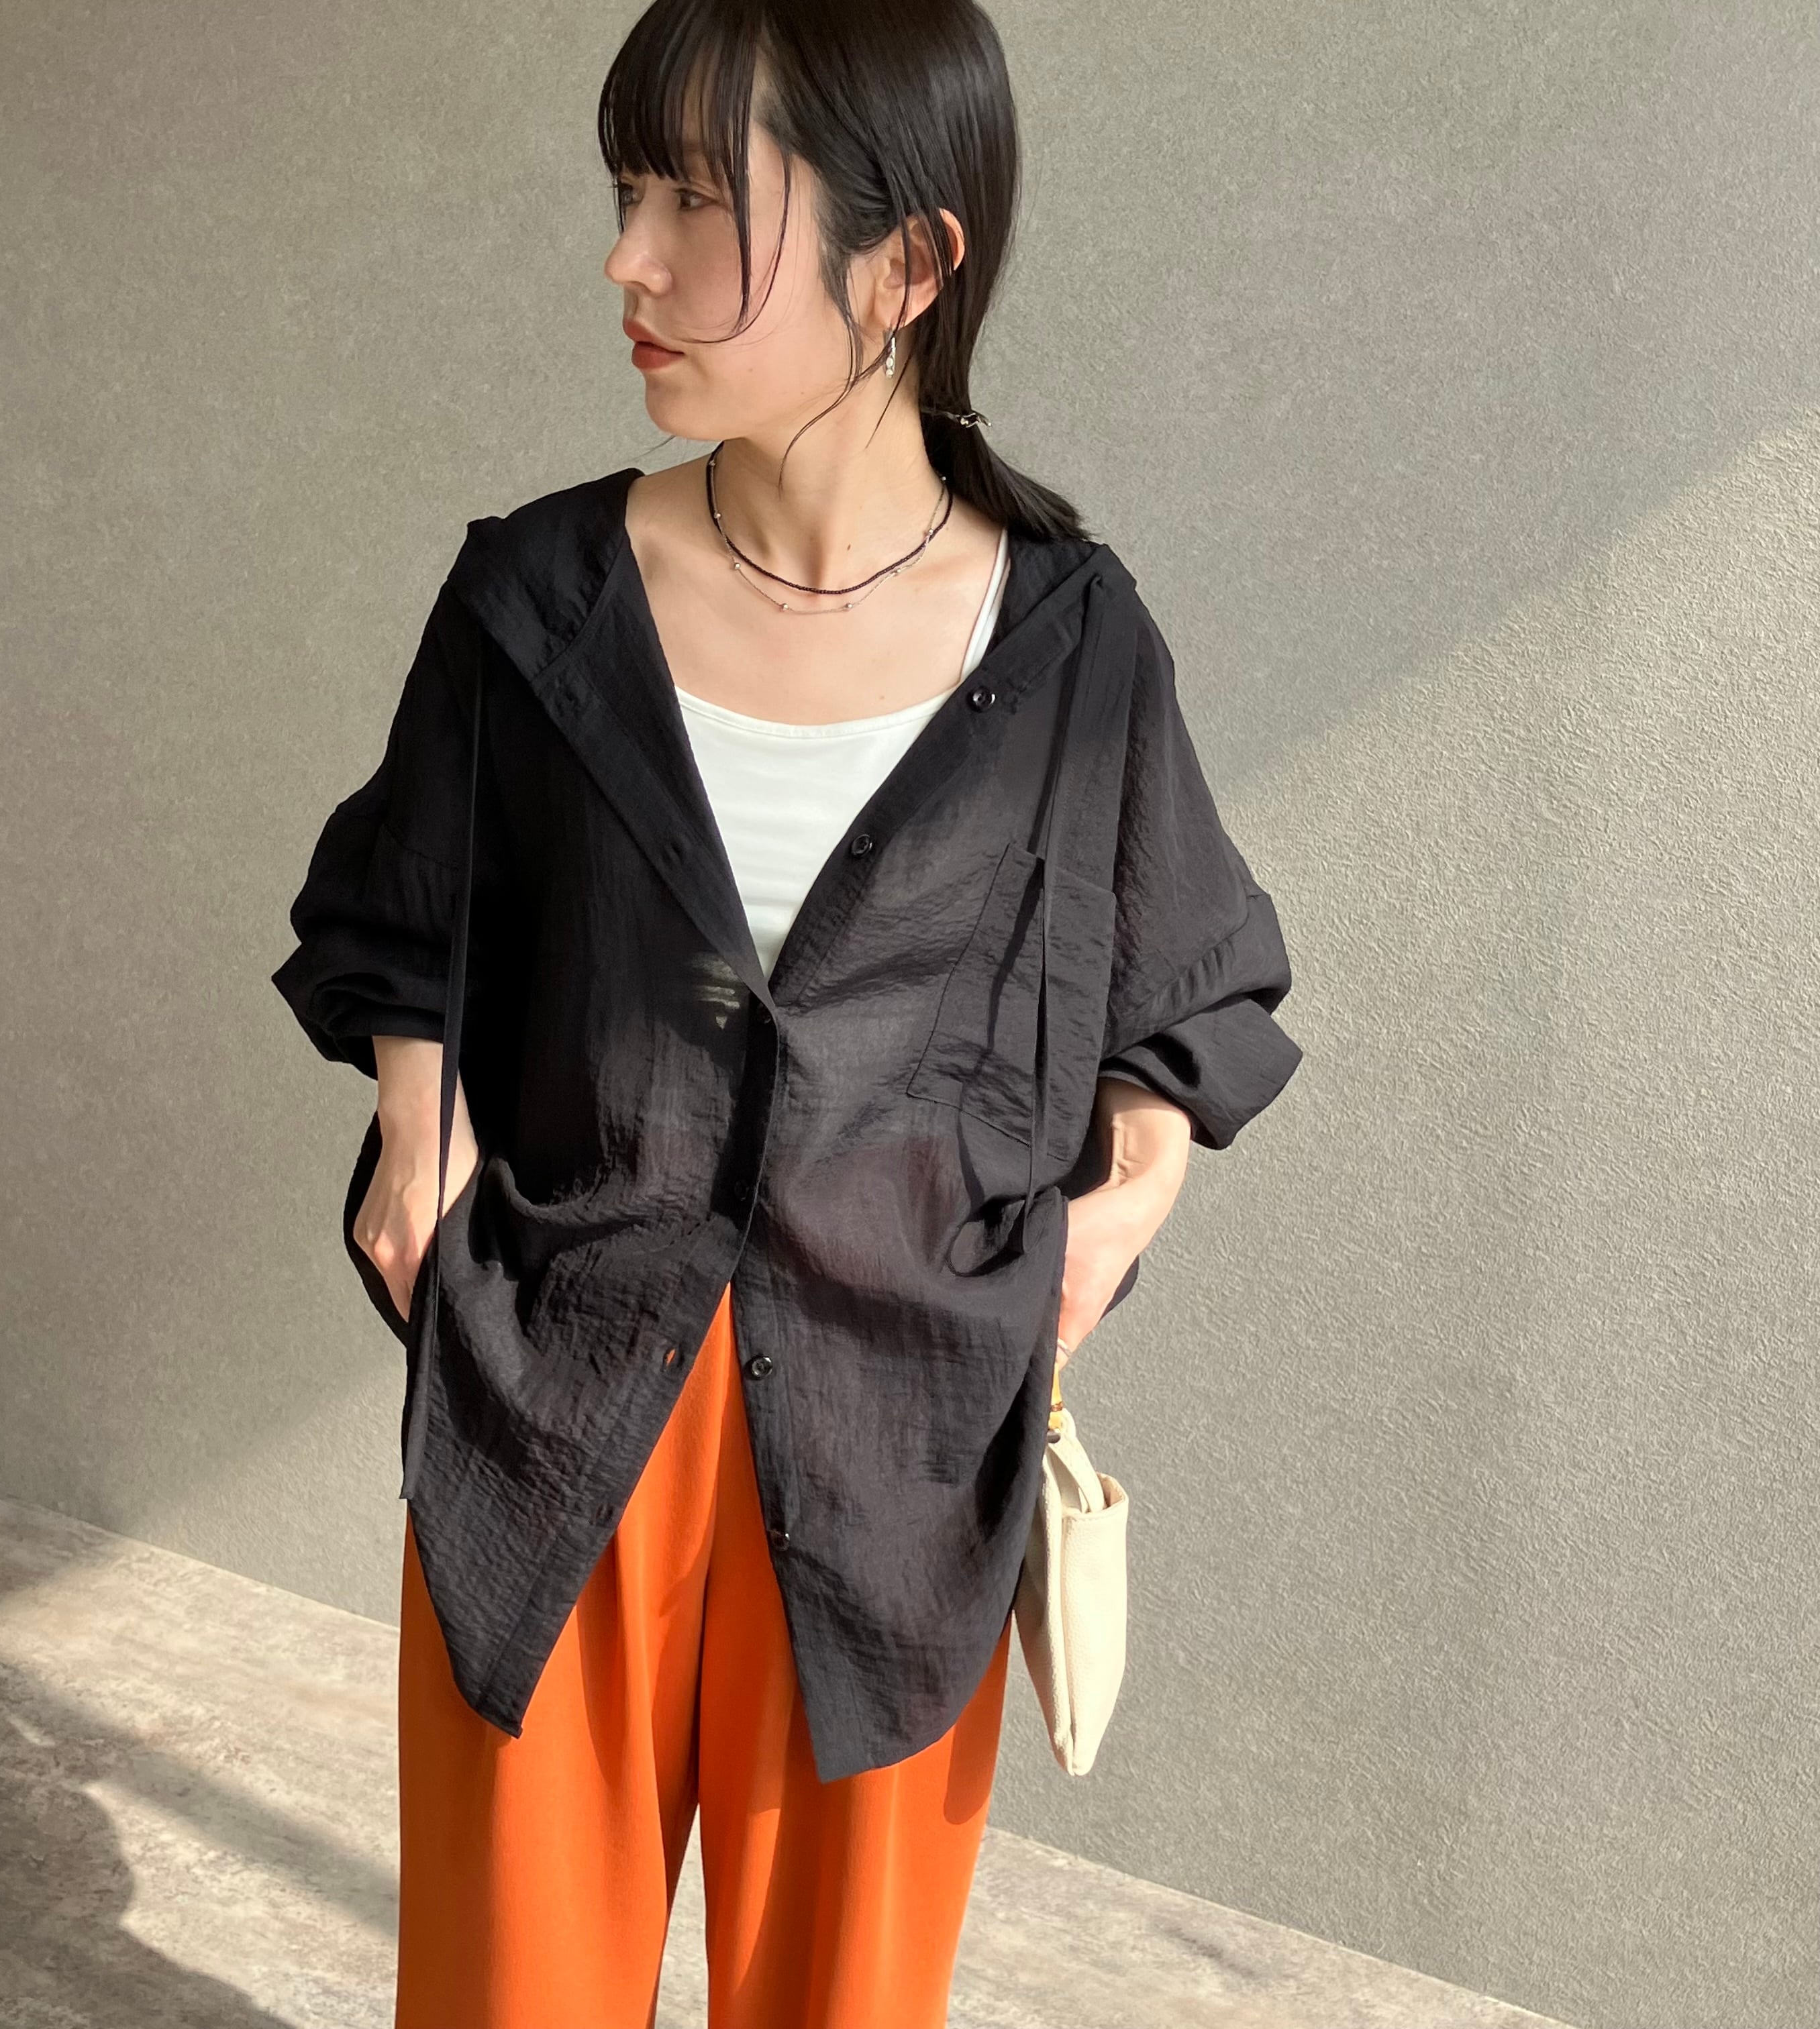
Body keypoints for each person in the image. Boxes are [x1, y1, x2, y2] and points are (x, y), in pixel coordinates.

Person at [270, 1, 1302, 2022]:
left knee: (843, 2001)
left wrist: (1118, 1215)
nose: (626, 259)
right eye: (626, 194)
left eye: (693, 202)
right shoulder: (538, 600)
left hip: (899, 1437)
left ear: (906, 265)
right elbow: (402, 917)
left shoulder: (1070, 647)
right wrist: (416, 1154)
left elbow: (1187, 987)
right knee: (504, 1993)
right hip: (557, 1393)